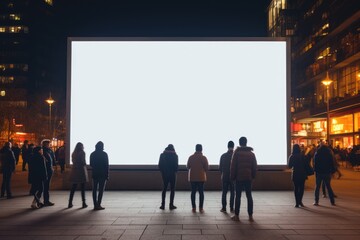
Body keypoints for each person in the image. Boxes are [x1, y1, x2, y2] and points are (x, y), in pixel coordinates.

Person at [230, 136, 257, 222]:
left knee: (238, 196)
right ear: (246, 142)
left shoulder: (236, 153)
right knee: (249, 196)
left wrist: (232, 177)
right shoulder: (252, 154)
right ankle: (250, 216)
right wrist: (253, 176)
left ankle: (237, 215)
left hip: (239, 178)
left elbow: (233, 166)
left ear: (239, 143)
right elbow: (254, 166)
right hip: (248, 177)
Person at [187, 144, 209, 213]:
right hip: (201, 177)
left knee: (193, 192)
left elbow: (188, 167)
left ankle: (193, 208)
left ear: (195, 149)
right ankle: (201, 208)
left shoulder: (191, 157)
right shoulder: (204, 158)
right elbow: (206, 168)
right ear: (201, 149)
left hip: (192, 177)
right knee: (201, 193)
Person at [313, 141, 336, 206]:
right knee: (328, 186)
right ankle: (332, 201)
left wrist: (315, 169)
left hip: (319, 172)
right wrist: (332, 171)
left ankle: (316, 201)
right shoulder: (329, 152)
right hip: (327, 171)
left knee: (317, 186)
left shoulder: (317, 152)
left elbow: (315, 162)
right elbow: (332, 162)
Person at [68, 142, 88, 208]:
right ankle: (83, 203)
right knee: (82, 188)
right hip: (81, 171)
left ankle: (70, 202)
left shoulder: (73, 153)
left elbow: (73, 161)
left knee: (73, 187)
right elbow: (83, 162)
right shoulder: (82, 152)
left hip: (74, 171)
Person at [158, 144, 179, 210]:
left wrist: (163, 171)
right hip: (172, 174)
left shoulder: (162, 155)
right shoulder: (175, 155)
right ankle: (171, 205)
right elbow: (176, 166)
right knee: (172, 189)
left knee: (164, 189)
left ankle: (163, 205)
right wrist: (174, 171)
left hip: (164, 174)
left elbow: (159, 165)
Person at [90, 141, 109, 210]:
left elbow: (91, 164)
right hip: (102, 174)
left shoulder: (92, 154)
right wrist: (107, 175)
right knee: (101, 190)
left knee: (94, 190)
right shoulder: (104, 154)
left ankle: (95, 205)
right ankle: (99, 204)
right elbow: (106, 165)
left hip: (95, 174)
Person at [38, 139, 56, 206]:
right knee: (44, 186)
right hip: (46, 170)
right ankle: (40, 200)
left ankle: (45, 200)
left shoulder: (49, 151)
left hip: (49, 170)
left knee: (46, 186)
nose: (50, 145)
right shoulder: (43, 151)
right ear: (45, 144)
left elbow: (52, 160)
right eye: (49, 144)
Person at [219, 140, 235, 213]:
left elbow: (220, 168)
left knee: (224, 193)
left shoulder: (223, 155)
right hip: (233, 178)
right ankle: (231, 208)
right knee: (232, 193)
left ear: (227, 146)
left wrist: (223, 173)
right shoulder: (235, 155)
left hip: (225, 177)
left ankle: (224, 208)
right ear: (233, 146)